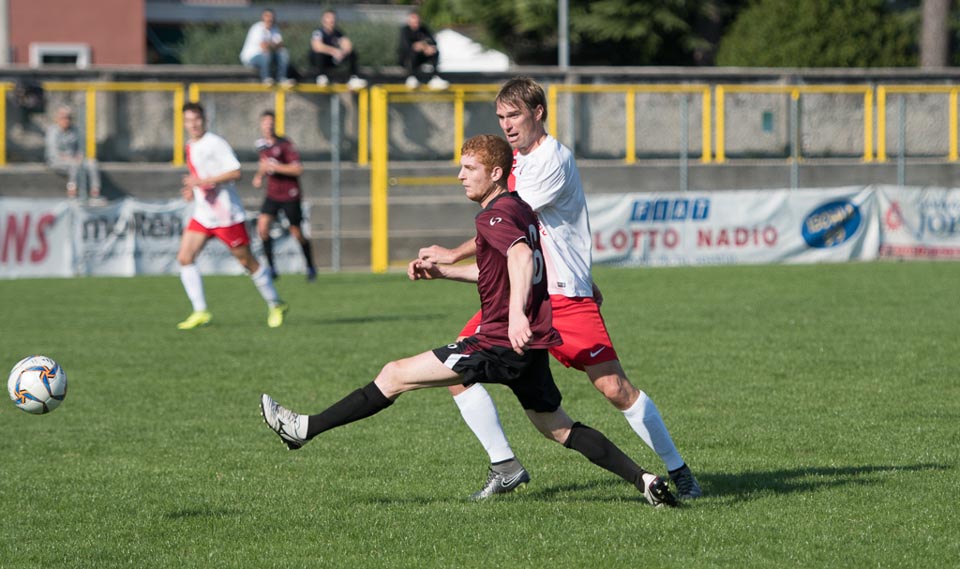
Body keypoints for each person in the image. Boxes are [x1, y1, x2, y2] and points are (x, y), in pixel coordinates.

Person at [260, 134, 678, 508]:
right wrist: (445, 272)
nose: (461, 176)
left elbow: (520, 257)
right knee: (559, 428)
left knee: (394, 374)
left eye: (469, 168)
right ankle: (644, 480)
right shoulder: (519, 208)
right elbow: (499, 269)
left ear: (495, 173)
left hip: (498, 342)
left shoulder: (494, 216)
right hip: (528, 346)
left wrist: (516, 316)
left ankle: (303, 429)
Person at [411, 77, 703, 501]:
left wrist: (452, 255)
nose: (507, 125)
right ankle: (505, 466)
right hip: (524, 292)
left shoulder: (553, 159)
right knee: (458, 369)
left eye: (514, 115)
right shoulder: (512, 162)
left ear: (538, 113)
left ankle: (679, 471)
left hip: (563, 294)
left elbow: (510, 221)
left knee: (614, 387)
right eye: (501, 117)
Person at [175, 102, 289, 330]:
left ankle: (276, 303)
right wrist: (192, 190)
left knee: (247, 262)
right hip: (204, 214)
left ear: (204, 120)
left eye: (196, 119)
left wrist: (203, 181)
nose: (193, 124)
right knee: (185, 258)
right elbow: (200, 178)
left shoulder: (215, 143)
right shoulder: (190, 146)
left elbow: (236, 172)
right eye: (188, 120)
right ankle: (200, 311)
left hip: (226, 215)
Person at [253, 110, 317, 282]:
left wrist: (275, 166)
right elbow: (264, 165)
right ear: (261, 125)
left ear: (275, 124)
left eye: (270, 123)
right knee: (262, 228)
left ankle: (310, 266)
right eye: (265, 123)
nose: (268, 126)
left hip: (290, 194)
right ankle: (272, 268)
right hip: (272, 194)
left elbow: (297, 169)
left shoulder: (285, 144)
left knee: (296, 232)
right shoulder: (261, 145)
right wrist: (259, 176)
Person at [45, 105, 101, 201]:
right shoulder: (53, 131)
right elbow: (53, 153)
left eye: (69, 118)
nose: (66, 120)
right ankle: (72, 192)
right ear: (57, 119)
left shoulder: (75, 130)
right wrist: (70, 158)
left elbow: (81, 147)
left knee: (92, 163)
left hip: (74, 159)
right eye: (63, 118)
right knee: (74, 165)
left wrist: (80, 155)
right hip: (57, 161)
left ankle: (95, 192)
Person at [308, 9, 367, 90]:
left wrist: (342, 53)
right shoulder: (318, 32)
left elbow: (348, 46)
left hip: (333, 60)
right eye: (329, 18)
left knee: (352, 53)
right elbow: (317, 46)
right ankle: (321, 76)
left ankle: (353, 78)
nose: (331, 21)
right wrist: (334, 51)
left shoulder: (338, 33)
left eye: (333, 18)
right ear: (323, 20)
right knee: (319, 54)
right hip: (320, 62)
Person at [240, 8, 294, 86]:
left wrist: (271, 45)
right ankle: (266, 78)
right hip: (251, 57)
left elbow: (281, 45)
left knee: (283, 53)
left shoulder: (275, 29)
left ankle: (281, 78)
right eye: (267, 16)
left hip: (268, 57)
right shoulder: (257, 28)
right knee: (266, 54)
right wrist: (274, 45)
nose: (270, 19)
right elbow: (264, 46)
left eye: (272, 17)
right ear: (263, 17)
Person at [397, 10, 449, 90]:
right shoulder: (404, 30)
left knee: (434, 51)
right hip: (407, 59)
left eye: (417, 22)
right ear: (409, 21)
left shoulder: (424, 29)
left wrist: (426, 47)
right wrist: (420, 46)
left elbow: (433, 42)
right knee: (412, 52)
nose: (416, 24)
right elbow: (407, 46)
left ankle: (435, 78)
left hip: (420, 57)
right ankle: (411, 77)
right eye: (414, 22)